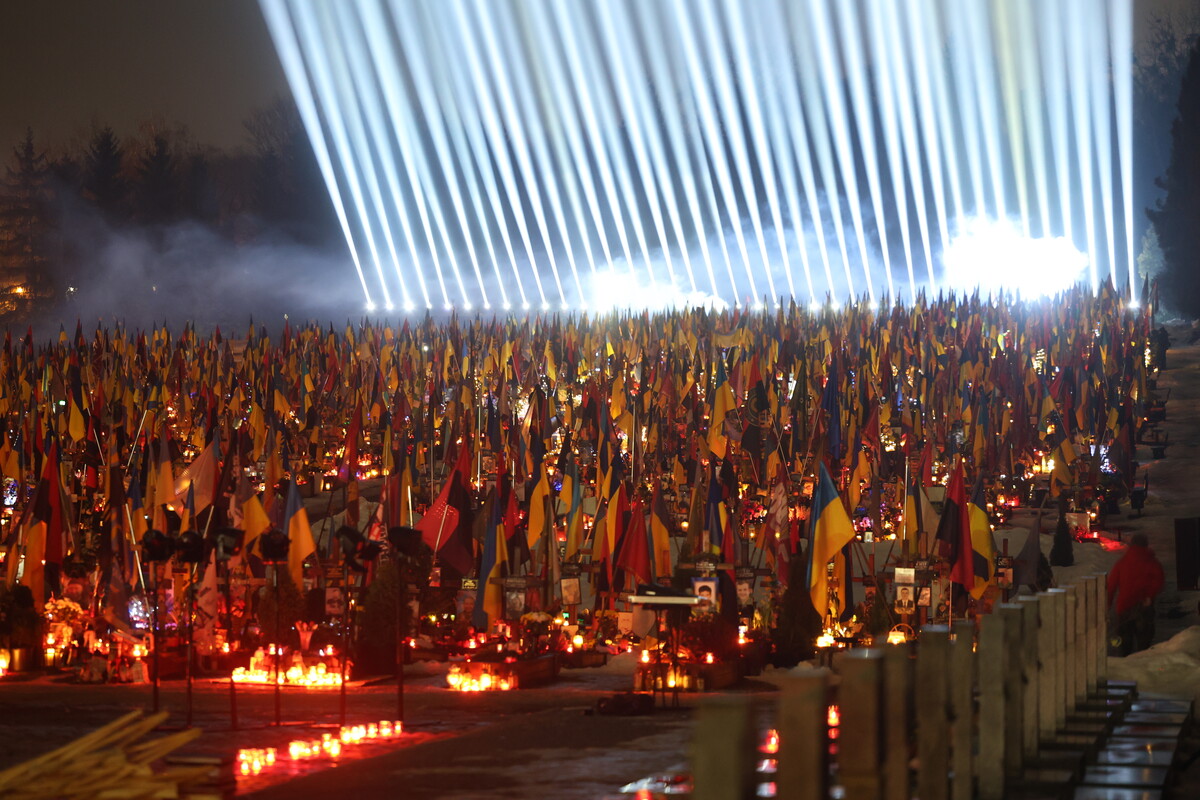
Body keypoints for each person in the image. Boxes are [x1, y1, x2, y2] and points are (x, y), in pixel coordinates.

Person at [1107, 533, 1164, 655]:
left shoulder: (1122, 563)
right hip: (1144, 606)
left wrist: (1107, 604)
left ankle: (1125, 665)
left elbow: (1111, 586)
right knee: (1144, 640)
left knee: (1125, 641)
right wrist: (1148, 595)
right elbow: (1159, 581)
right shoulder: (1152, 562)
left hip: (1124, 606)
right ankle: (1142, 663)